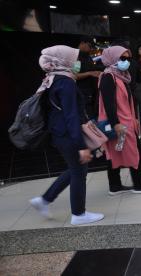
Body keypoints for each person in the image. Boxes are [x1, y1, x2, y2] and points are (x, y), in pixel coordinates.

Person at [29, 45, 104, 225]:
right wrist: (82, 146)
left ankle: (45, 200)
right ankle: (78, 214)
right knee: (79, 171)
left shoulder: (52, 79)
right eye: (73, 58)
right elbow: (71, 116)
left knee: (75, 169)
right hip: (68, 134)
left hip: (59, 133)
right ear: (63, 60)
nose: (76, 62)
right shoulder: (66, 82)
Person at [98, 46, 141, 195]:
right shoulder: (108, 77)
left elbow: (127, 101)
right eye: (123, 58)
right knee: (132, 152)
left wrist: (134, 119)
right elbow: (108, 103)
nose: (126, 62)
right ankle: (138, 185)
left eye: (127, 58)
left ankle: (115, 186)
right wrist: (116, 123)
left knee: (116, 153)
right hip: (119, 123)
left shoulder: (121, 75)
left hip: (127, 121)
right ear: (113, 59)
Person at [76, 37, 103, 119]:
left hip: (90, 93)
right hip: (80, 92)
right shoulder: (75, 56)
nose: (91, 49)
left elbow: (92, 68)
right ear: (82, 43)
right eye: (89, 46)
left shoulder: (88, 57)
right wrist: (90, 73)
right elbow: (75, 75)